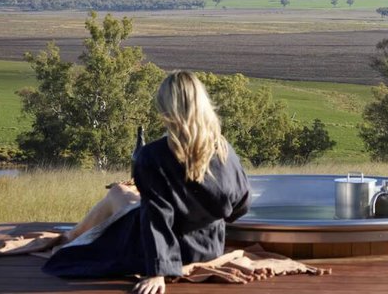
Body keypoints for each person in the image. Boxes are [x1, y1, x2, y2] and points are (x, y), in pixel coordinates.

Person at [42, 71, 251, 294]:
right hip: (209, 247)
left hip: (170, 251)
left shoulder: (154, 156)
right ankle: (73, 234)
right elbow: (241, 204)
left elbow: (157, 219)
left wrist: (157, 273)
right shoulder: (222, 148)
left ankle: (71, 238)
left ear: (165, 108)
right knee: (120, 193)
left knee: (73, 254)